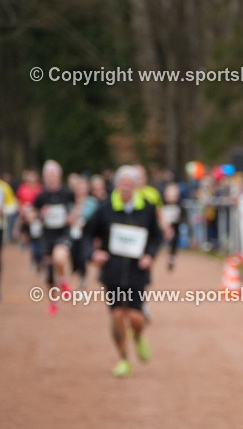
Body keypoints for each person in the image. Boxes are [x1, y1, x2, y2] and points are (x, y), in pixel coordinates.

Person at [85, 166, 163, 377]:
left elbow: (157, 236)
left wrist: (150, 255)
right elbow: (87, 234)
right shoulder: (105, 209)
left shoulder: (146, 208)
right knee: (118, 314)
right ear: (117, 186)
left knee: (136, 318)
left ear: (136, 186)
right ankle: (124, 359)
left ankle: (138, 337)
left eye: (131, 185)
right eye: (123, 185)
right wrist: (93, 254)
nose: (127, 189)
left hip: (138, 272)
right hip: (113, 271)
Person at [33, 160, 76, 316]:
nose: (51, 179)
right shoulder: (41, 196)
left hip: (63, 233)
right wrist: (39, 215)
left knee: (59, 257)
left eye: (54, 175)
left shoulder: (67, 193)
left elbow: (76, 207)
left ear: (59, 176)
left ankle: (63, 281)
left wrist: (72, 217)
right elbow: (33, 214)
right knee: (50, 272)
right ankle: (53, 301)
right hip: (46, 235)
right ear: (45, 178)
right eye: (48, 176)